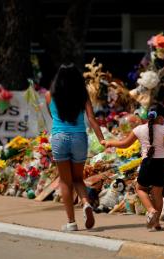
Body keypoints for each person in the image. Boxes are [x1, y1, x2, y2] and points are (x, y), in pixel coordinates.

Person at [105, 104, 164, 230]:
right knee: (157, 192)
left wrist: (109, 143)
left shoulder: (139, 129)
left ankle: (151, 210)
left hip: (148, 164)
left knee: (140, 188)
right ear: (161, 118)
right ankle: (156, 223)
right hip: (163, 164)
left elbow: (124, 144)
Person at [46, 63, 107, 232]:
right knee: (78, 179)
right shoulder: (82, 94)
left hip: (59, 137)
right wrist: (102, 140)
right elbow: (92, 119)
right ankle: (86, 203)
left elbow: (53, 116)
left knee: (65, 181)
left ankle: (71, 222)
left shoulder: (49, 95)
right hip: (79, 137)